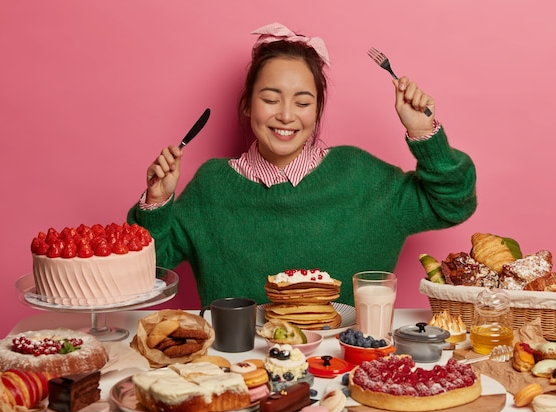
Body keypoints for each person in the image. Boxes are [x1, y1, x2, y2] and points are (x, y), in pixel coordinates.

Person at [127, 22, 477, 307]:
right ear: (247, 104)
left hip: (347, 370)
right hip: (236, 372)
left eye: (302, 102)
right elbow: (146, 272)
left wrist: (423, 133)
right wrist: (157, 202)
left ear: (317, 111)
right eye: (270, 98)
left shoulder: (362, 176)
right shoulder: (211, 185)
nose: (286, 115)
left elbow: (452, 204)